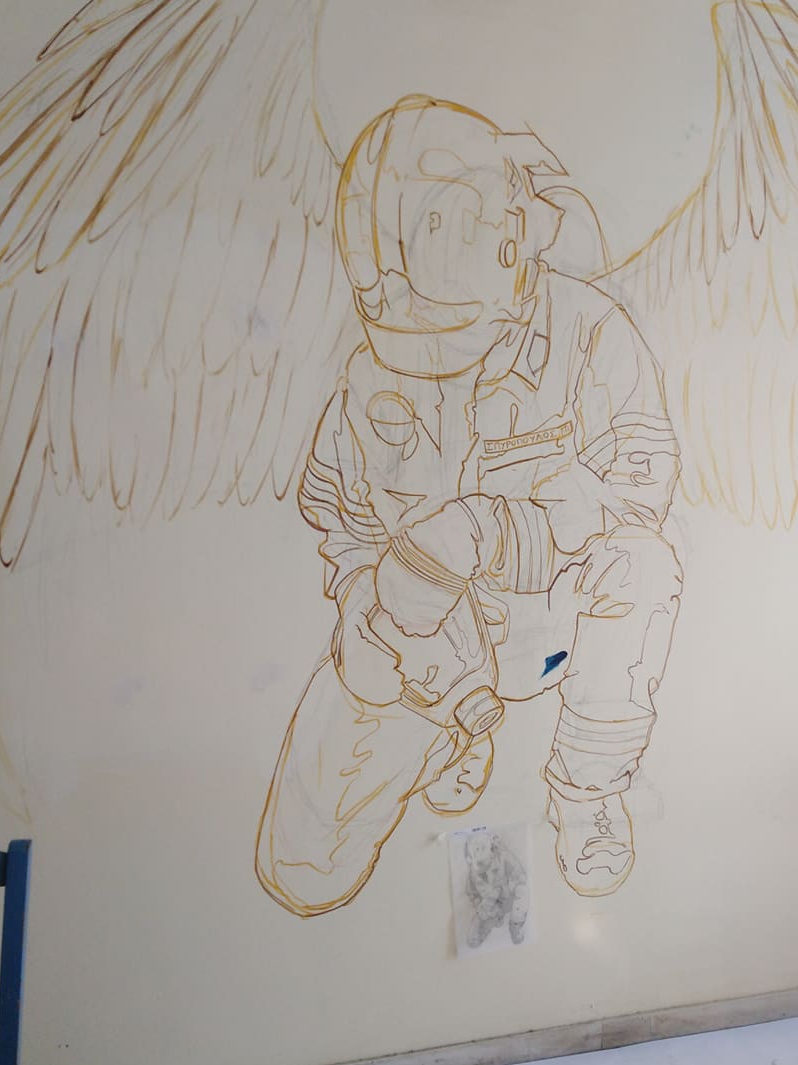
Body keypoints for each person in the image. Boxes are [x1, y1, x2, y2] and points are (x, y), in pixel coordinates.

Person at [255, 96, 683, 917]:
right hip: (430, 645)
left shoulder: (594, 335)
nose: (431, 363)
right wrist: (367, 608)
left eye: (450, 334)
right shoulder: (371, 373)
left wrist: (495, 531)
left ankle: (588, 791)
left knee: (646, 568)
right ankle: (456, 733)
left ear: (511, 247)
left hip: (554, 625)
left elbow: (640, 490)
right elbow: (338, 512)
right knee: (301, 868)